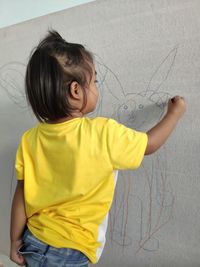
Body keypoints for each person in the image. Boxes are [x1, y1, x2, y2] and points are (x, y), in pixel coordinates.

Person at [10, 30, 186, 267]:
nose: (95, 86)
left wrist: (14, 240)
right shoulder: (102, 132)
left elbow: (20, 195)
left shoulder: (29, 139)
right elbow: (149, 144)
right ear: (75, 91)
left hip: (33, 240)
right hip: (72, 250)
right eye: (94, 80)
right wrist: (174, 114)